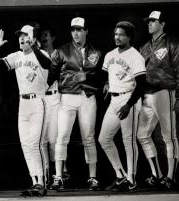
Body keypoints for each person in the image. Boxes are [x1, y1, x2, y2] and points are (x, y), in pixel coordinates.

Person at [0, 26, 51, 196]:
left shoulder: (41, 54)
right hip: (23, 104)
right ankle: (34, 180)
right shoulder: (17, 56)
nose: (22, 39)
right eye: (21, 36)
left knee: (35, 144)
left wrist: (35, 47)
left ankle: (42, 183)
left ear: (33, 38)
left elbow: (47, 64)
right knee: (26, 145)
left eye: (26, 36)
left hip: (39, 101)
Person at [47, 17, 102, 191]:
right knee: (62, 137)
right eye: (73, 30)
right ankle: (58, 177)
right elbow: (50, 76)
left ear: (86, 31)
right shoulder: (61, 50)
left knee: (89, 138)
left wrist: (90, 78)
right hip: (67, 96)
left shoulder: (96, 52)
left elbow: (102, 77)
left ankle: (92, 178)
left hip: (87, 96)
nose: (76, 33)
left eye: (79, 29)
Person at [98, 21, 146, 192]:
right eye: (115, 34)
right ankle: (121, 175)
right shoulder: (110, 54)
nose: (117, 37)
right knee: (104, 139)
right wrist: (105, 83)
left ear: (129, 36)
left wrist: (129, 105)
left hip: (129, 99)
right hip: (114, 99)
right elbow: (106, 74)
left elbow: (141, 85)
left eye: (121, 34)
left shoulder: (135, 56)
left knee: (128, 141)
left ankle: (131, 179)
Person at [137, 11, 179, 190]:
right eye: (149, 21)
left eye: (153, 21)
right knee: (142, 135)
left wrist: (178, 95)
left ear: (162, 24)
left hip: (165, 91)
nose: (150, 23)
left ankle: (171, 177)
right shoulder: (145, 47)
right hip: (147, 94)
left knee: (168, 135)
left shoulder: (173, 43)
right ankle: (157, 174)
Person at [39, 26, 71, 188]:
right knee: (43, 139)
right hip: (41, 98)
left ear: (53, 37)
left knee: (56, 138)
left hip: (56, 96)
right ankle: (45, 171)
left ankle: (61, 171)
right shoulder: (37, 53)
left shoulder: (59, 53)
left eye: (47, 34)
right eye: (42, 35)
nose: (44, 38)